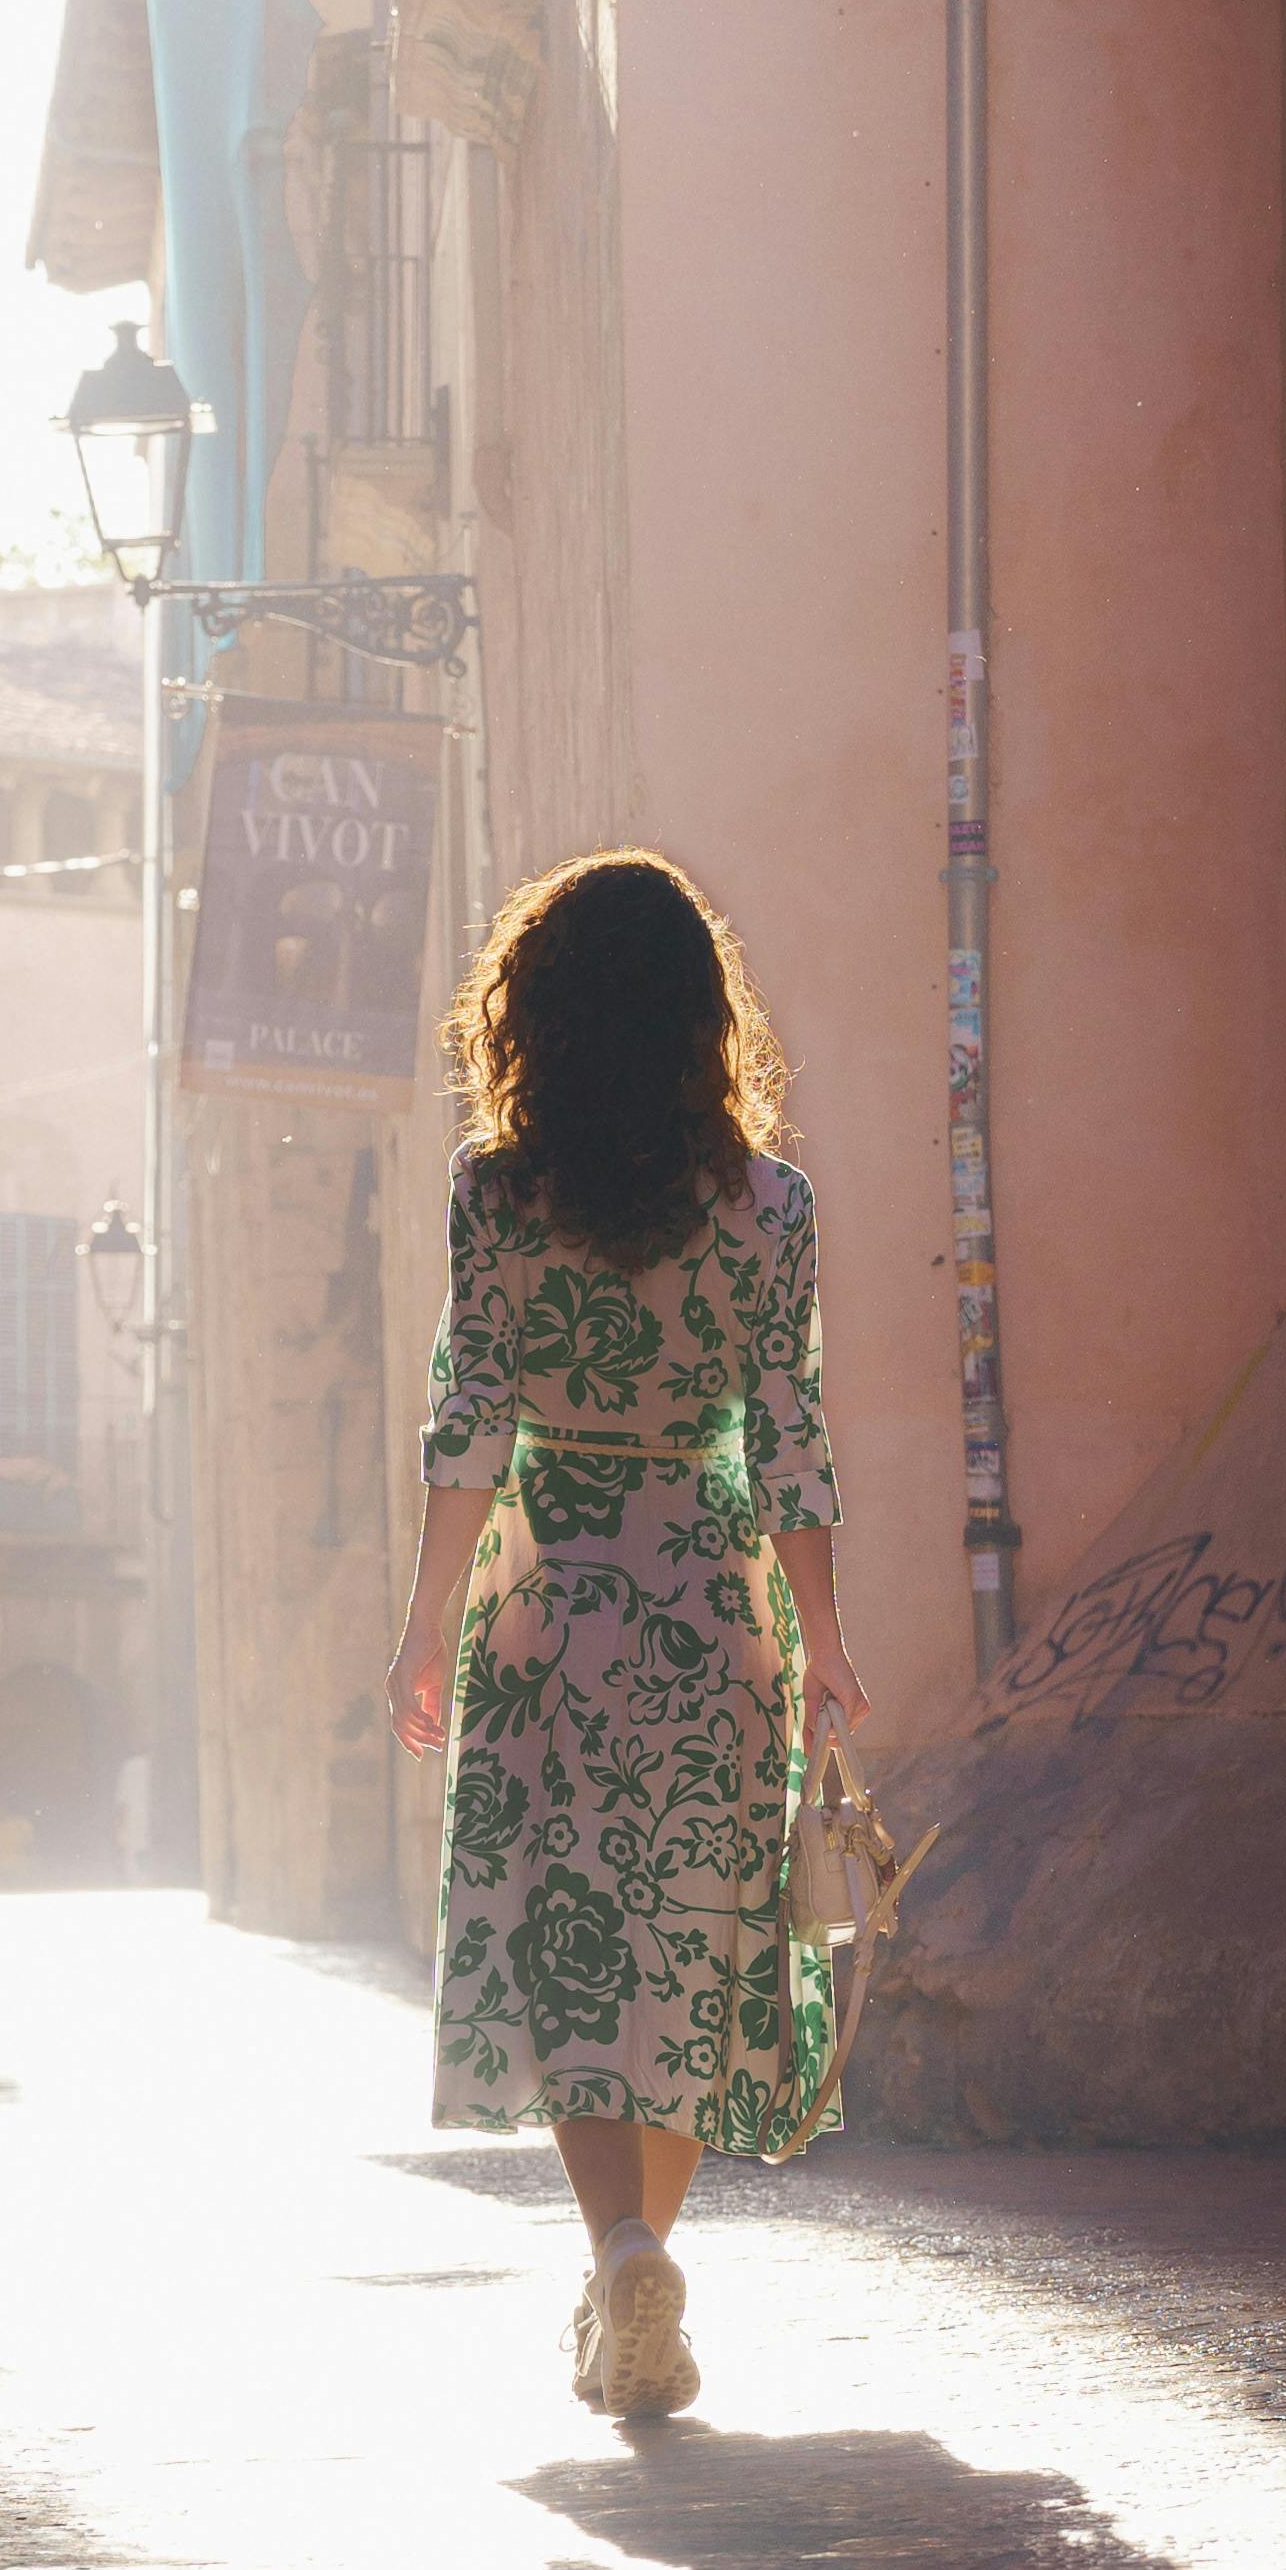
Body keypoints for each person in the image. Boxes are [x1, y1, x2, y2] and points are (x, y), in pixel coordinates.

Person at [386, 850, 875, 2422]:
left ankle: (616, 2254)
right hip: (714, 1614)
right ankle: (641, 2256)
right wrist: (823, 1637)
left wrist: (421, 1627)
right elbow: (792, 1442)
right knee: (683, 1956)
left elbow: (470, 1424)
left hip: (546, 1615)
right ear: (697, 1016)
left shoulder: (494, 1195)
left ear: (535, 1015)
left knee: (571, 1958)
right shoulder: (770, 1209)